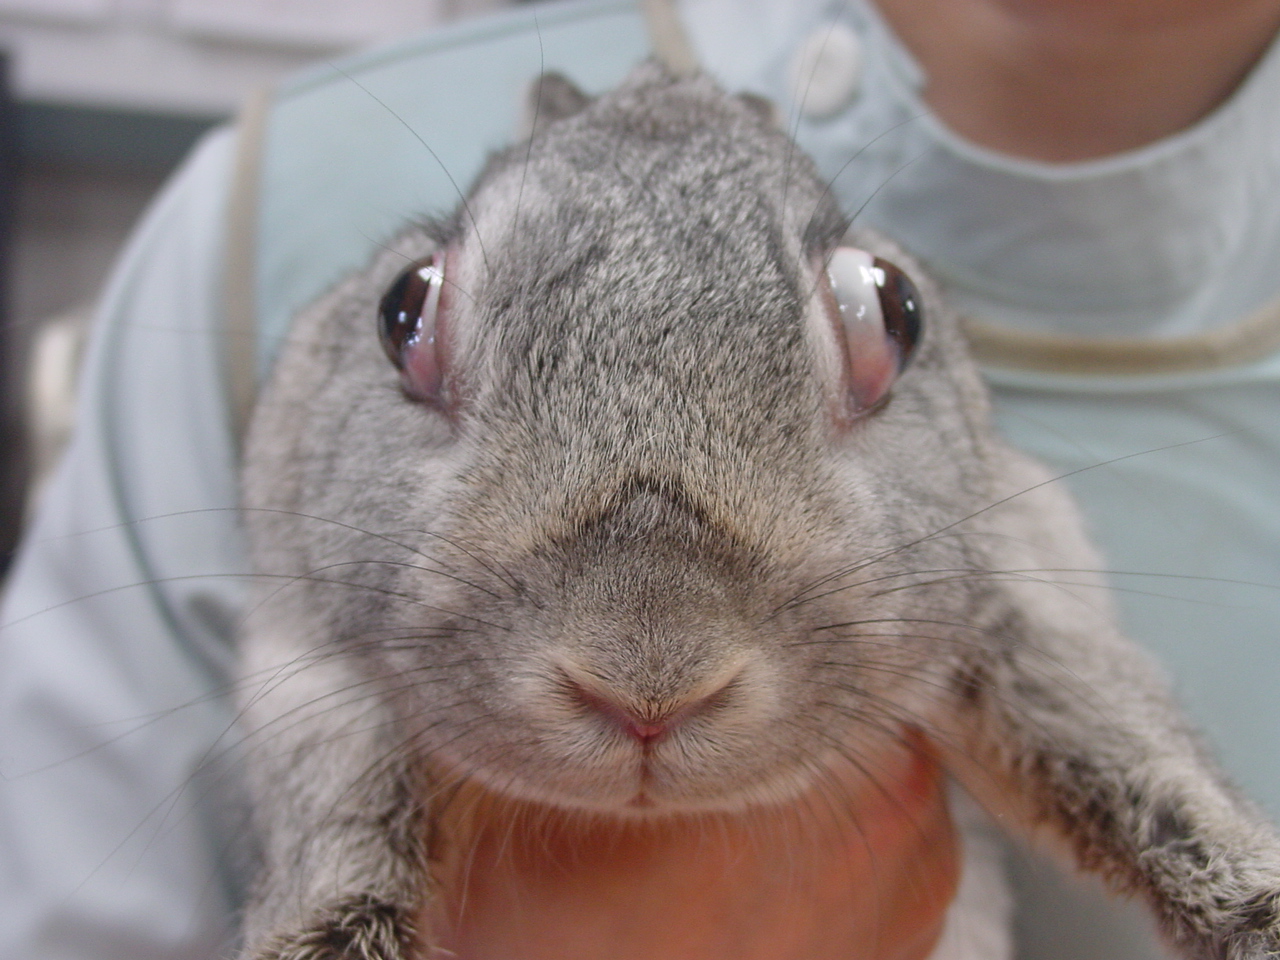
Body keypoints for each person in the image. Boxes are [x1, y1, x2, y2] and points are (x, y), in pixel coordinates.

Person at [2, 0, 1278, 957]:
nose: (646, 661)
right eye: (415, 320)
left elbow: (1012, 612)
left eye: (874, 329)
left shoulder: (971, 497)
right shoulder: (266, 196)